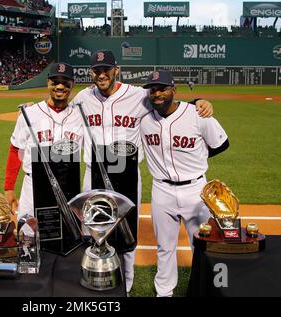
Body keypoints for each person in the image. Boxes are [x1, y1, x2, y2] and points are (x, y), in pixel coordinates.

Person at [71, 50, 214, 293]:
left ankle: (126, 284)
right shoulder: (82, 98)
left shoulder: (138, 96)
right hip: (93, 172)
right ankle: (95, 278)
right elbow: (61, 111)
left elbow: (168, 104)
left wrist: (198, 102)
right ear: (91, 73)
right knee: (93, 231)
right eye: (97, 70)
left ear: (117, 70)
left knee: (126, 231)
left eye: (106, 69)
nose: (102, 74)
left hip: (126, 173)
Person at [140, 70, 229, 297]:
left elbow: (221, 144)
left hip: (196, 190)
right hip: (161, 190)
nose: (157, 93)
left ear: (174, 90)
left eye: (162, 88)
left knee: (202, 246)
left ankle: (206, 290)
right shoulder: (145, 119)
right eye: (153, 89)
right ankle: (164, 292)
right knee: (165, 247)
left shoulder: (197, 114)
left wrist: (197, 158)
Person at [4, 62, 83, 218]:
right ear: (48, 83)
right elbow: (15, 149)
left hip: (67, 187)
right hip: (33, 186)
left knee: (66, 237)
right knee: (28, 237)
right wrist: (9, 188)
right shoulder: (29, 114)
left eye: (65, 82)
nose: (59, 86)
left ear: (72, 84)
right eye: (55, 81)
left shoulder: (80, 115)